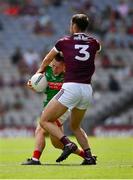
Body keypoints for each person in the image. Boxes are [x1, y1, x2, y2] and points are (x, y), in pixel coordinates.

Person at [28, 14, 101, 165]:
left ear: (73, 25)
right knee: (76, 126)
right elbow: (90, 53)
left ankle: (67, 143)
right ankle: (88, 157)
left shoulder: (64, 42)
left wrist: (38, 73)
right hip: (87, 89)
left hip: (71, 87)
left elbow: (48, 59)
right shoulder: (95, 43)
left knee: (43, 121)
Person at [22, 53, 86, 165]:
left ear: (64, 66)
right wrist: (32, 84)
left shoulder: (69, 77)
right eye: (53, 66)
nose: (54, 69)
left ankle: (35, 159)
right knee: (56, 143)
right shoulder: (47, 71)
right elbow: (37, 83)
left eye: (57, 67)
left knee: (40, 129)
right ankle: (86, 155)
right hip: (48, 107)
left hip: (62, 108)